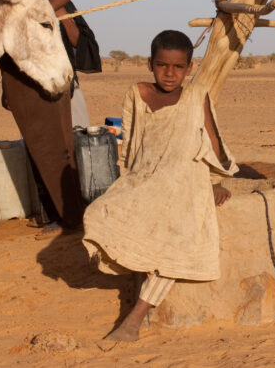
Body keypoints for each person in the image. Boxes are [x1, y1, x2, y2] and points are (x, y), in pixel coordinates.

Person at [82, 30, 238, 342]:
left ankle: (134, 319)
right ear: (150, 64)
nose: (170, 73)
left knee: (179, 237)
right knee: (99, 214)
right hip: (146, 177)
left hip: (186, 181)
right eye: (162, 65)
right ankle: (135, 275)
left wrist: (216, 181)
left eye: (178, 67)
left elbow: (213, 141)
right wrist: (127, 183)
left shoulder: (197, 95)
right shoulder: (138, 93)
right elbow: (130, 145)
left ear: (189, 68)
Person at [0, 0, 84, 235]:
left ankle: (68, 219)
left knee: (44, 143)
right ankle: (65, 212)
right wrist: (43, 6)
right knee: (61, 142)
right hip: (52, 62)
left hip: (24, 70)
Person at [31, 0, 102, 128]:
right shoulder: (25, 8)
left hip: (67, 84)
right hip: (33, 87)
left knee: (77, 138)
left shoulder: (64, 4)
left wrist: (61, 13)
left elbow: (82, 45)